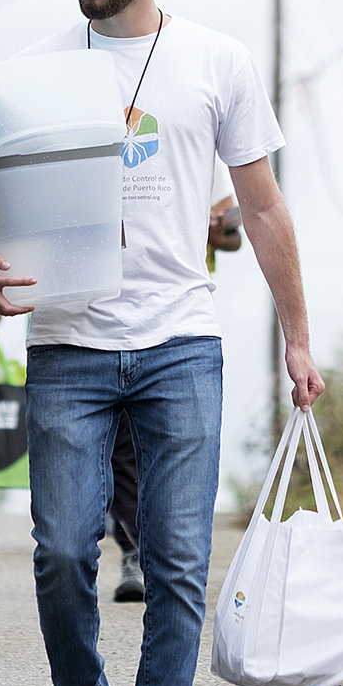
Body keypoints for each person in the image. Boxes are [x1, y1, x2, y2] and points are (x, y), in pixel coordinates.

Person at [0, 0, 324, 686]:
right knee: (64, 551)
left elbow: (266, 206)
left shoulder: (214, 61)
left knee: (177, 561)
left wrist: (297, 337)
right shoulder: (31, 71)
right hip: (69, 342)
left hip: (178, 343)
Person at [106, 167, 243, 605]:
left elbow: (234, 236)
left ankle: (167, 558)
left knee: (171, 446)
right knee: (122, 448)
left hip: (179, 320)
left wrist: (215, 225)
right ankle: (133, 550)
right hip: (105, 314)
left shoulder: (202, 156)